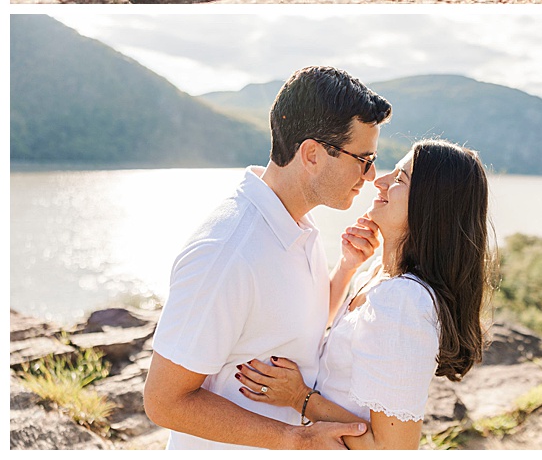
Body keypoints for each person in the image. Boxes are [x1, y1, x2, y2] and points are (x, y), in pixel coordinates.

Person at [144, 67, 386, 450]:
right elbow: (163, 401)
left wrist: (346, 268)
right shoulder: (227, 254)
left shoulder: (295, 224)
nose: (371, 175)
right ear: (311, 155)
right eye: (363, 158)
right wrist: (298, 439)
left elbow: (292, 331)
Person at [234, 140, 492, 450]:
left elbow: (391, 449)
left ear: (429, 204)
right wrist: (347, 268)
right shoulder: (377, 274)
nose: (379, 181)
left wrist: (299, 398)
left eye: (399, 179)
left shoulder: (404, 302)